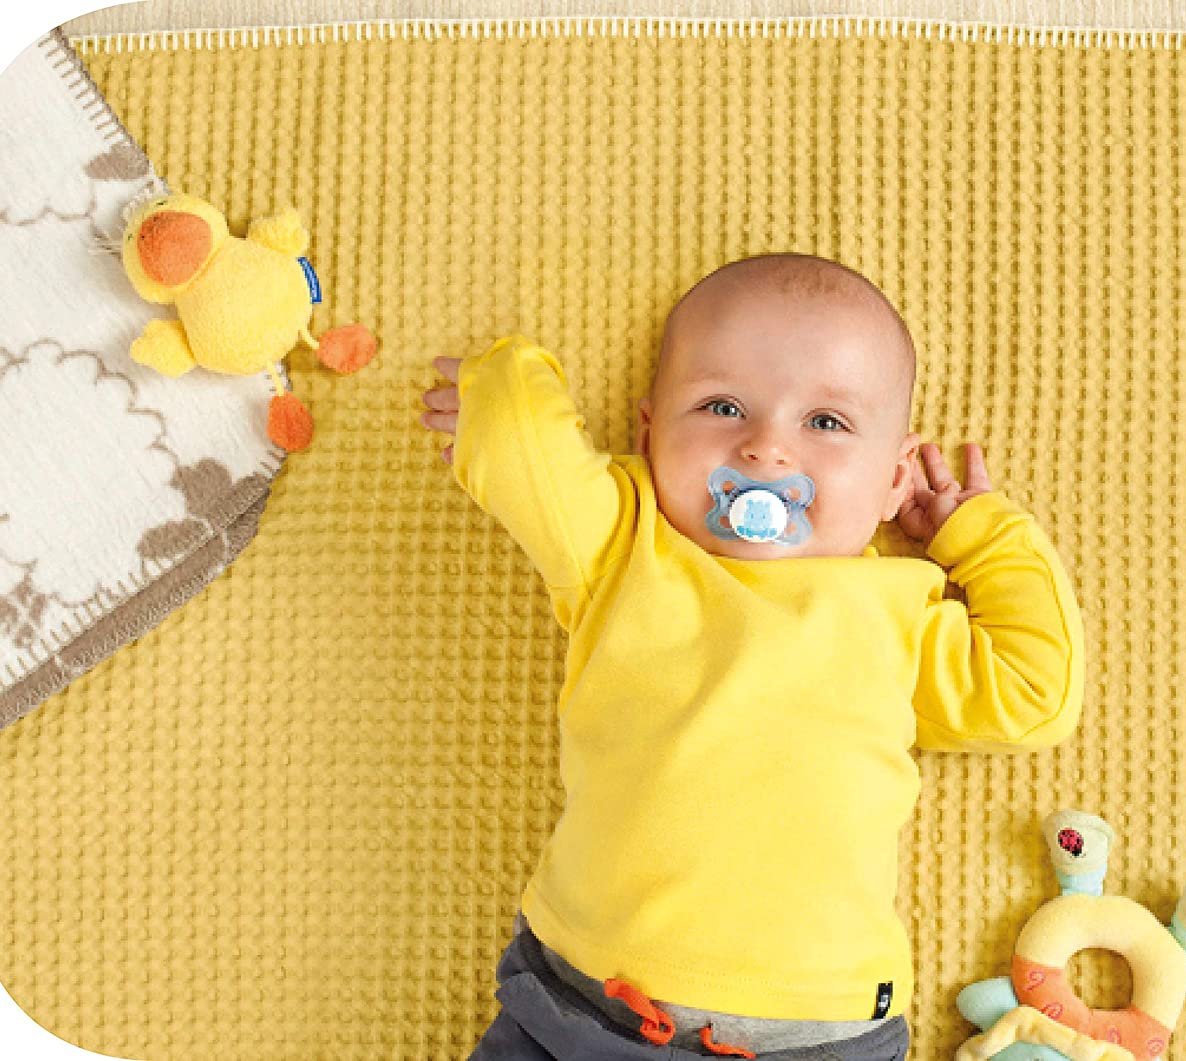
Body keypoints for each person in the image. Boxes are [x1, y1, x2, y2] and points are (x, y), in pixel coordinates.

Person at [418, 252, 1085, 1059]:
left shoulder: (897, 612)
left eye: (826, 422)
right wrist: (503, 376)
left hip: (820, 1026)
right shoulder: (624, 544)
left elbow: (1033, 693)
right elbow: (522, 442)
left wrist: (977, 534)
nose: (767, 449)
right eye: (722, 406)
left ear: (893, 480)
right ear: (649, 435)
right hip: (585, 1006)